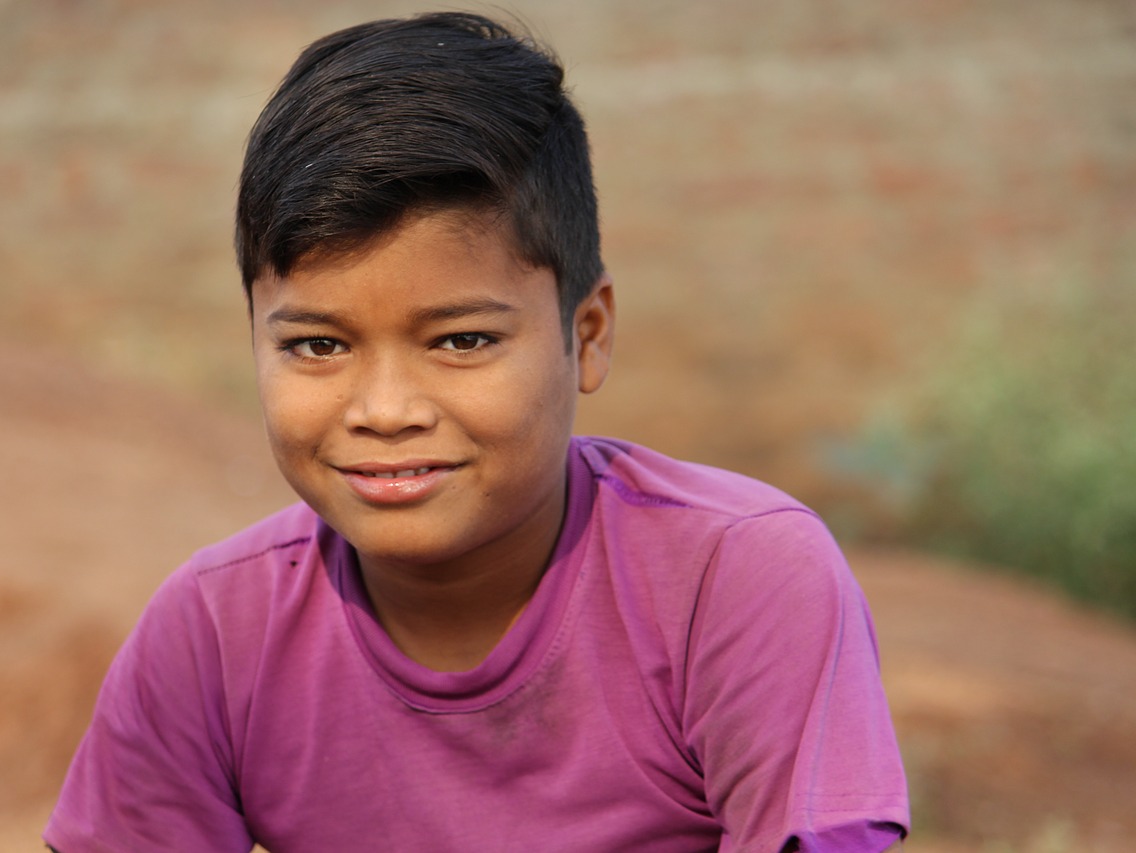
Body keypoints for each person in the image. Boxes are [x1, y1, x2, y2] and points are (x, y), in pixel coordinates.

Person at [44, 12, 909, 852]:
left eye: (462, 340)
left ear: (588, 334)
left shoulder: (733, 579)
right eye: (318, 344)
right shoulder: (214, 635)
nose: (385, 410)